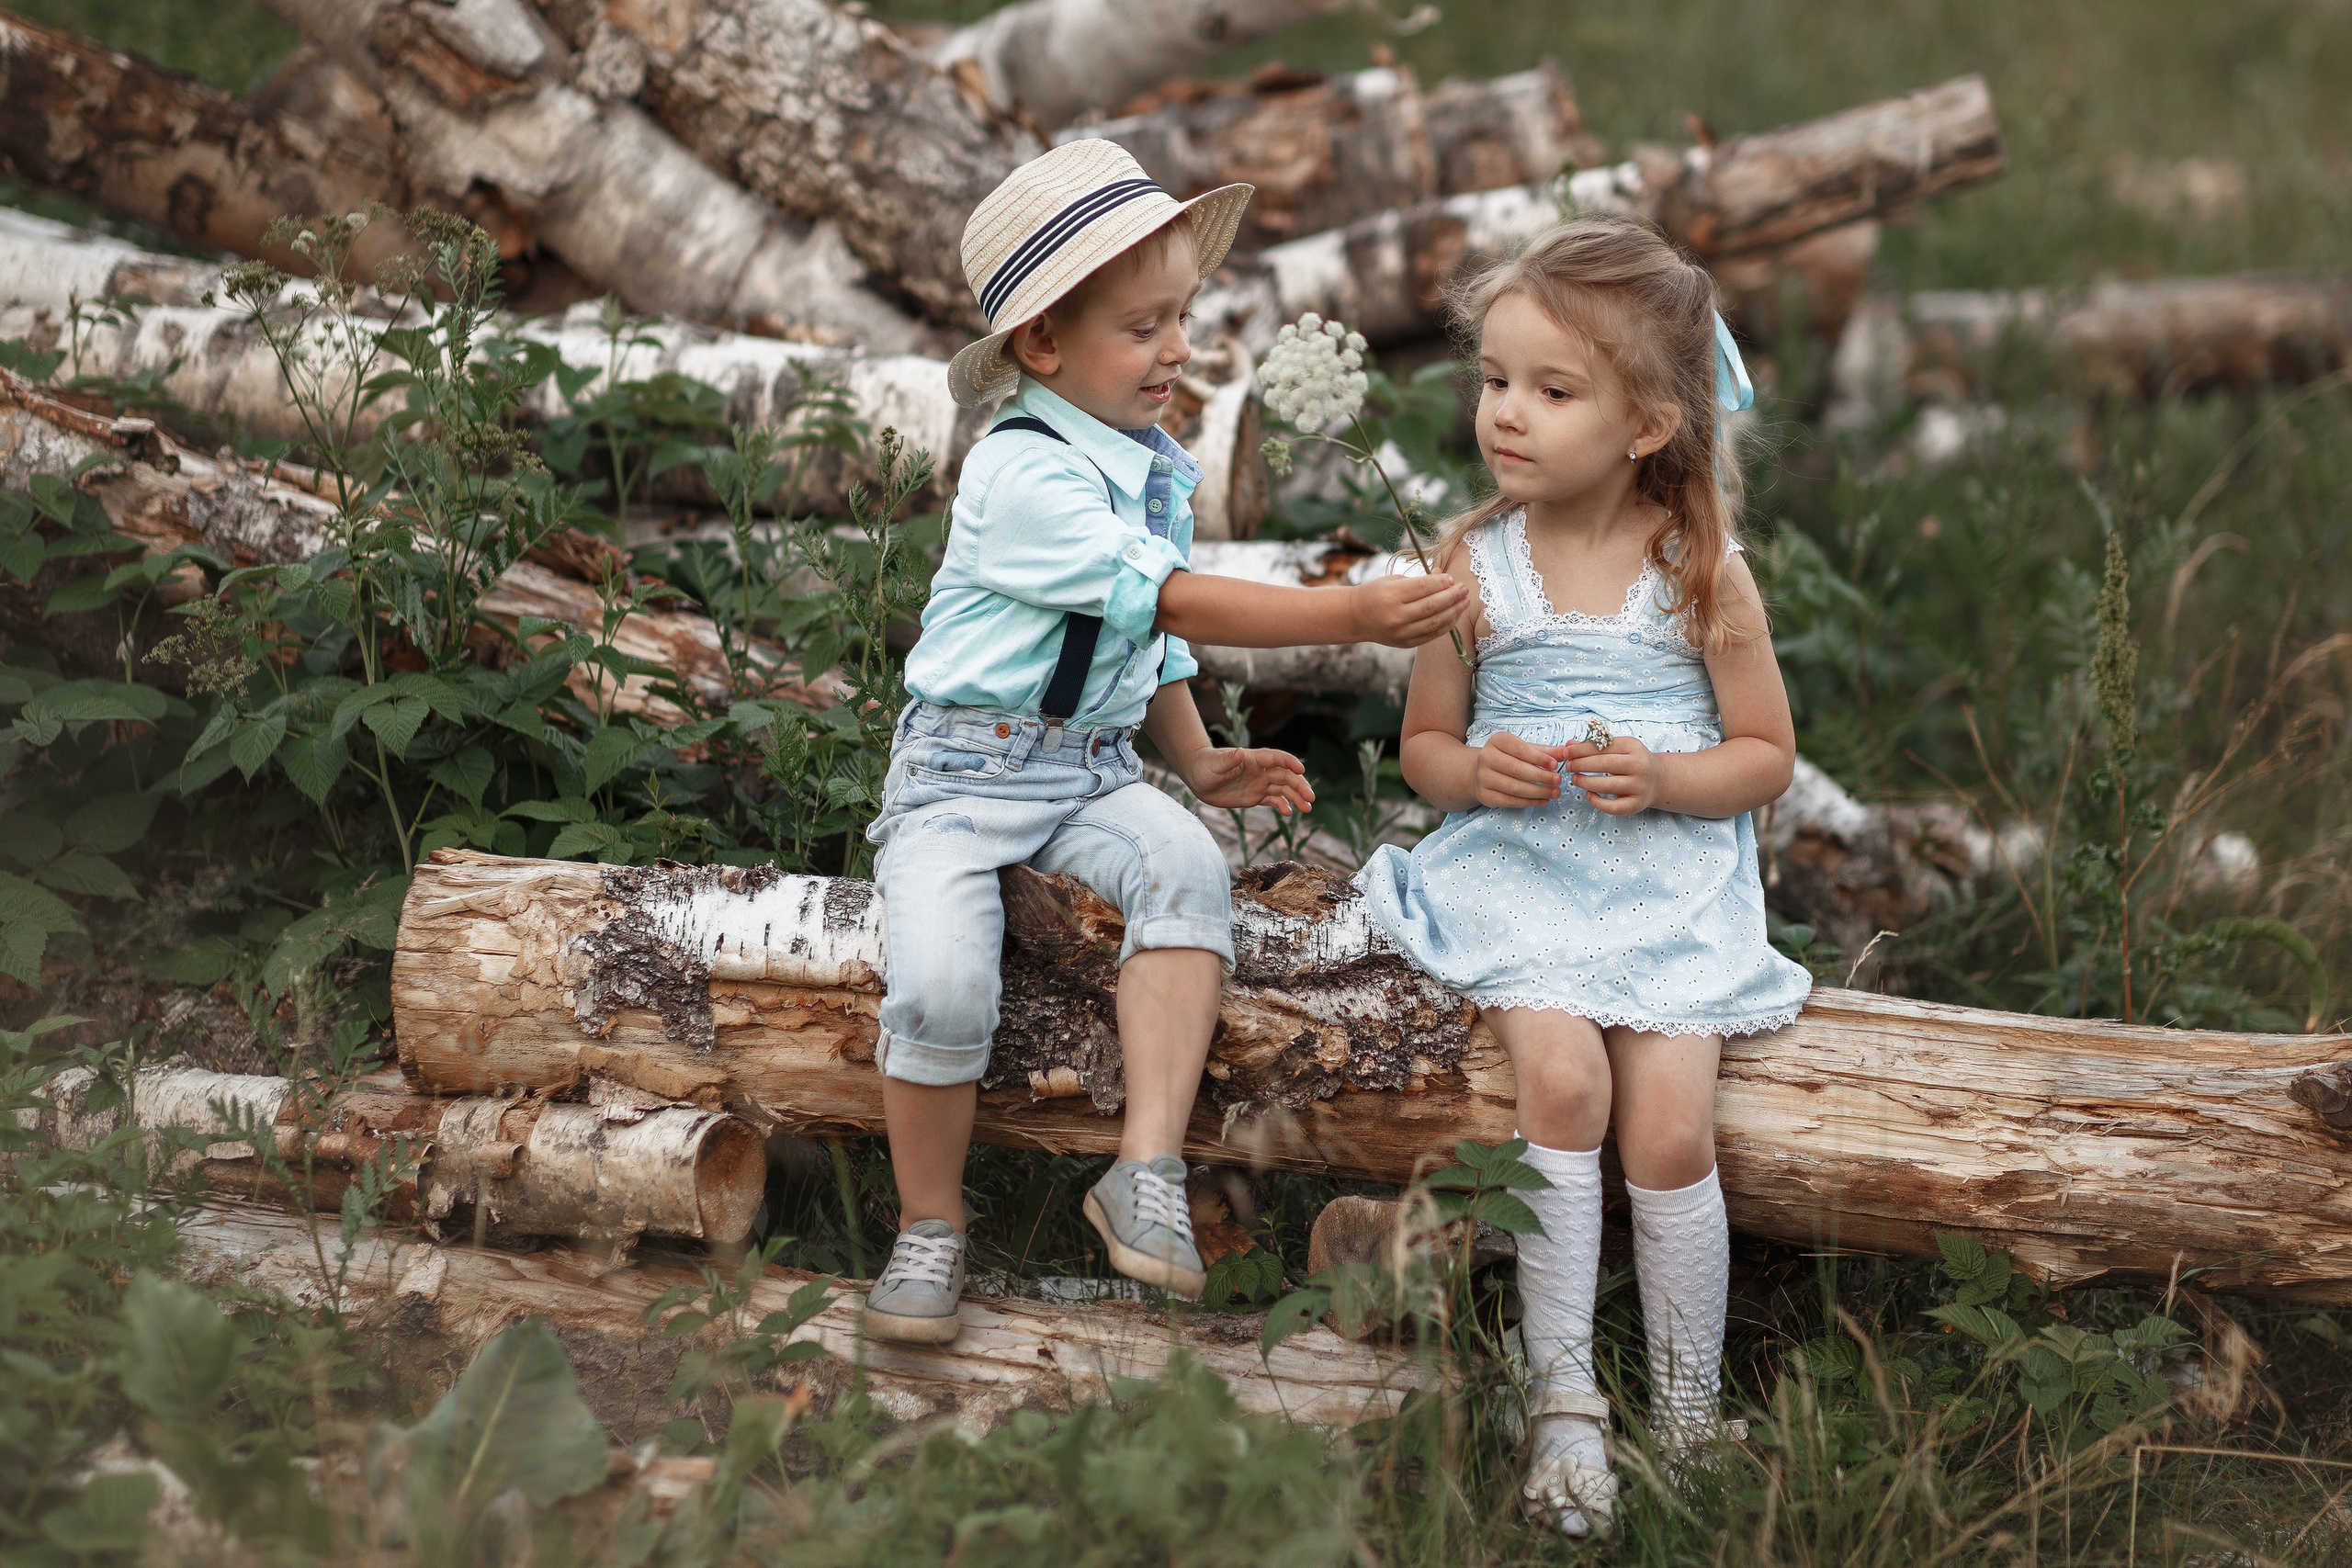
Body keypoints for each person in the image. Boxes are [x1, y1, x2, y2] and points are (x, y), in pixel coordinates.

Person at [861, 139, 1469, 1346]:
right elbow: (1173, 601)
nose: (1179, 351)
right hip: (961, 775)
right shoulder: (1023, 472)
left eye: (1181, 319)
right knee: (937, 985)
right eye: (1144, 329)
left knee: (1189, 866)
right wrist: (1347, 615)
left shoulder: (1151, 463)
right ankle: (927, 1224)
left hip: (1088, 766)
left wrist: (1193, 761)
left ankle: (1142, 1172)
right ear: (1043, 347)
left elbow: (1147, 648)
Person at [1354, 214, 1813, 1535]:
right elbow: (1425, 748)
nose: (1507, 413)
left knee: (1670, 1128)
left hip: (1666, 886)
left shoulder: (1701, 569)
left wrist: (1671, 781)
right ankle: (1562, 1403)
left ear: (1650, 424)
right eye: (1496, 380)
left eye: (1553, 391)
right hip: (1520, 873)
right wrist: (1472, 769)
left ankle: (1685, 1410)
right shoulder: (1472, 564)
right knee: (1562, 1082)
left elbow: (1767, 755)